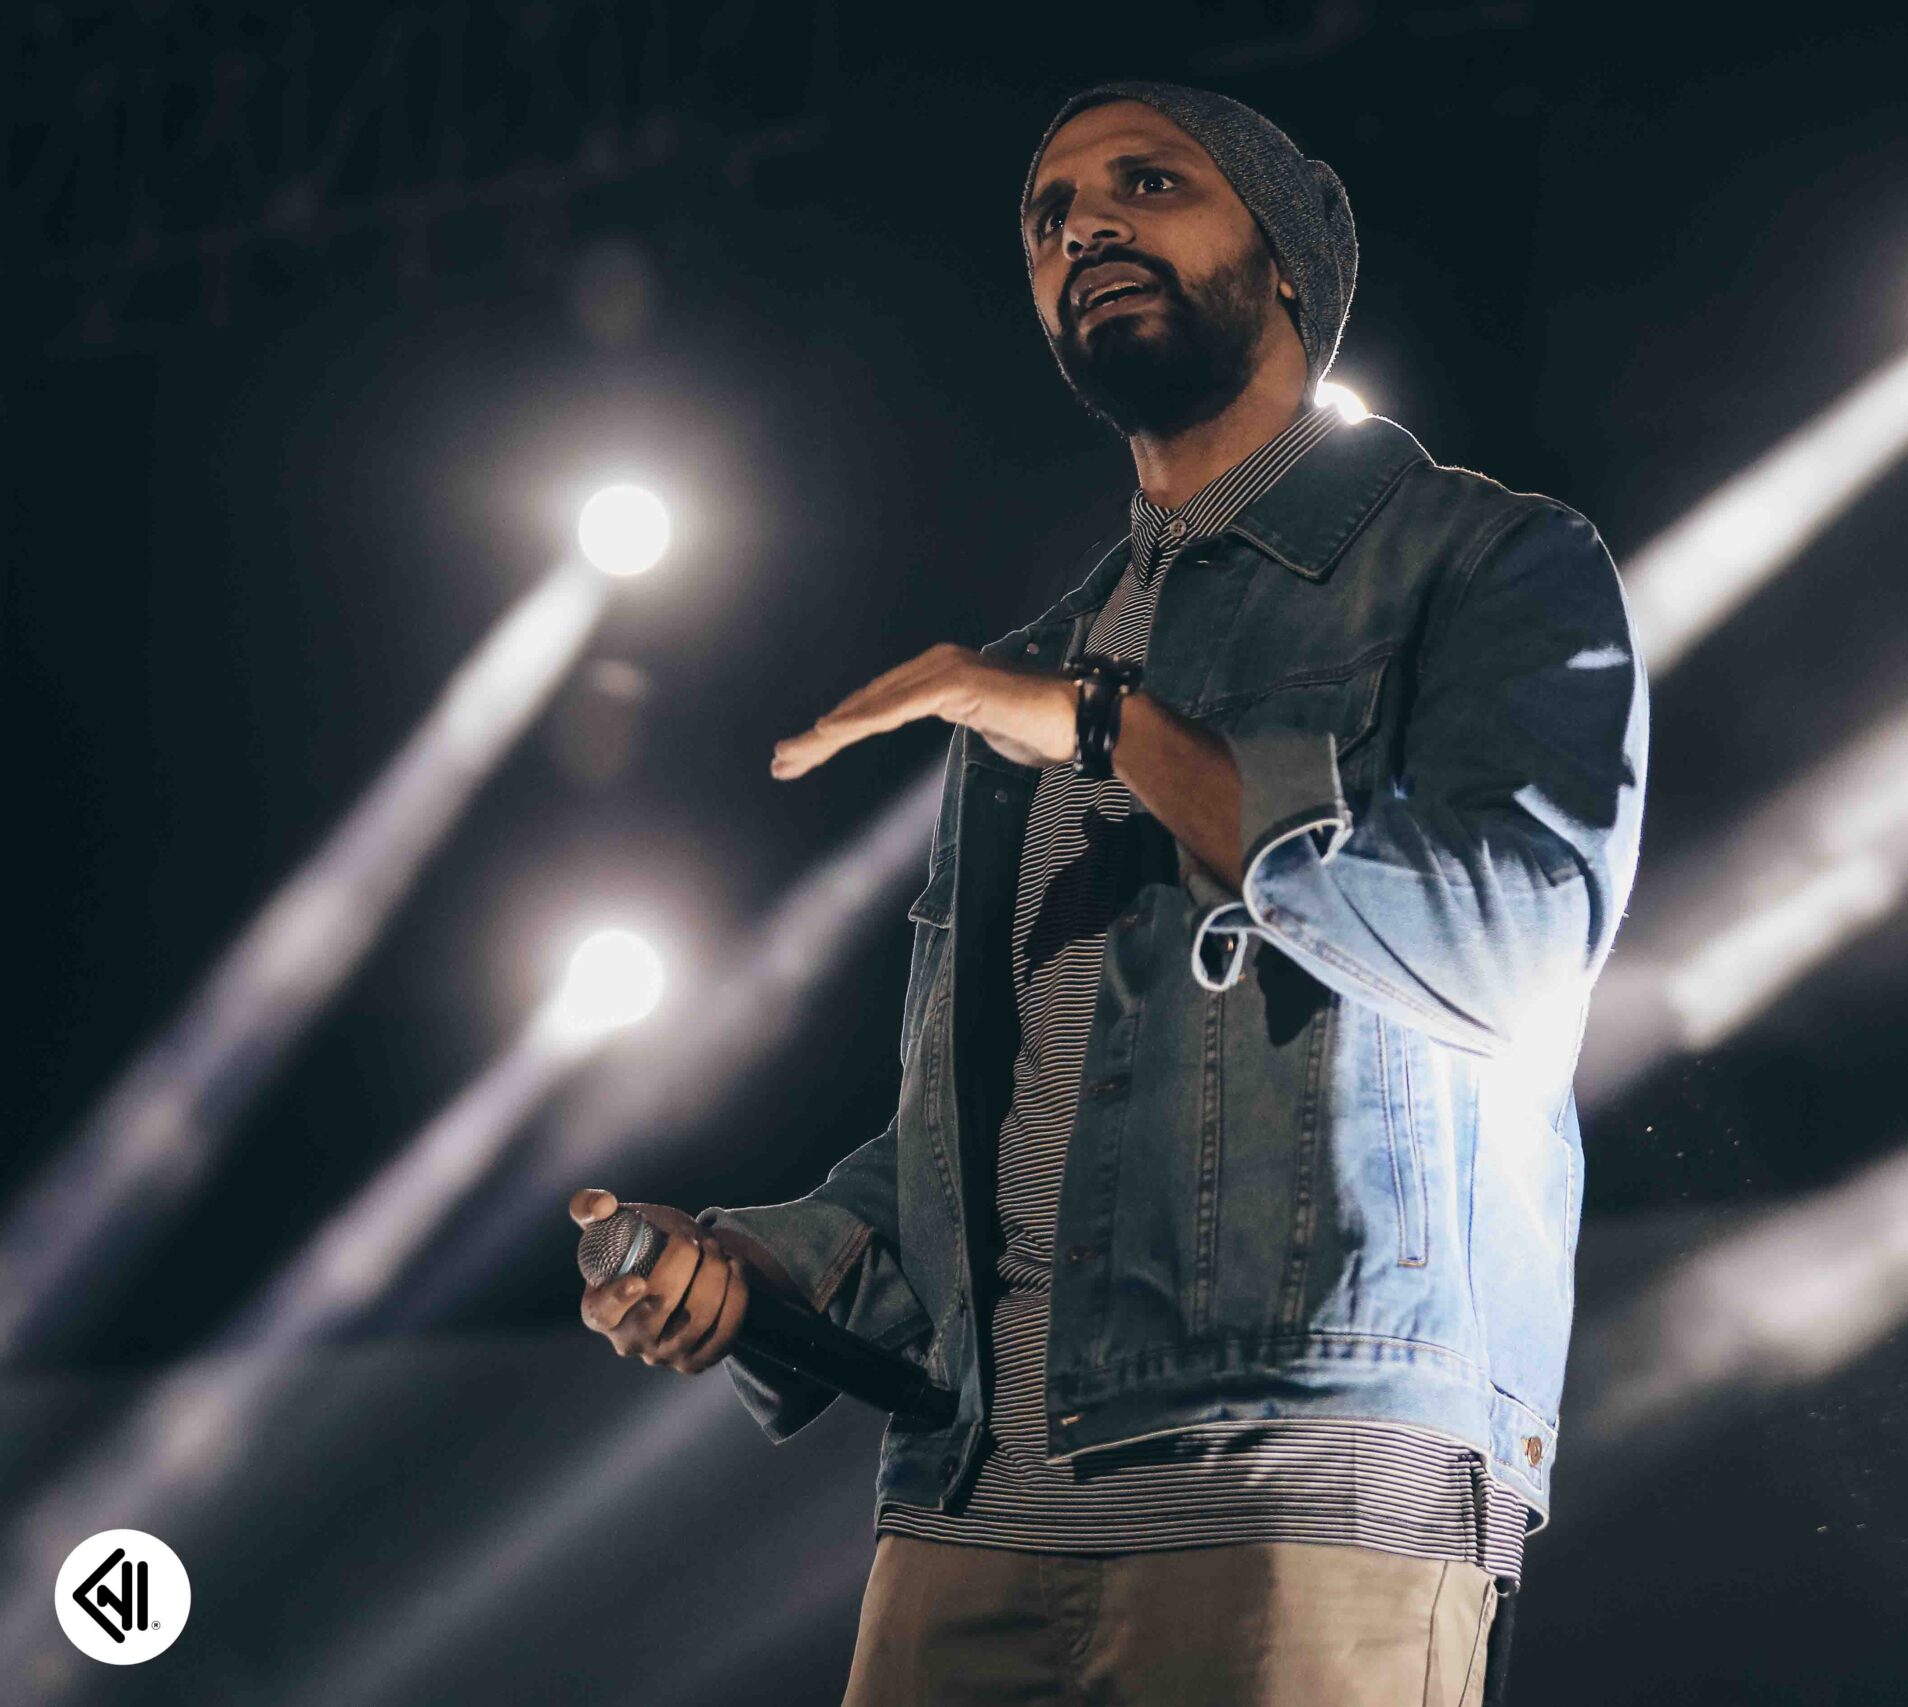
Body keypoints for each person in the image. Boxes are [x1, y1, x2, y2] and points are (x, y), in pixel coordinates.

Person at [572, 78, 1647, 1706]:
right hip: (968, 1509)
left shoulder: (1483, 562)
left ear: (1286, 256)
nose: (1084, 229)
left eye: (1148, 184)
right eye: (1049, 216)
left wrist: (1107, 727)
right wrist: (754, 1269)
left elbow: (1512, 945)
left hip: (1305, 1486)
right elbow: (970, 1146)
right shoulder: (1024, 674)